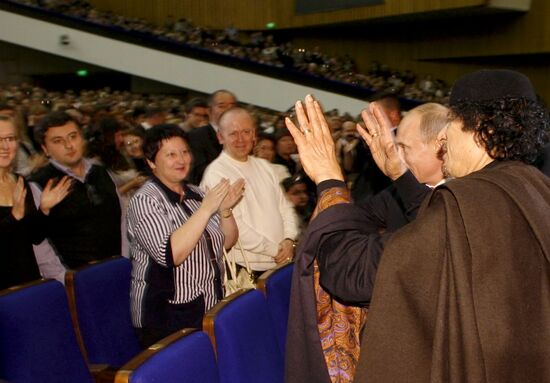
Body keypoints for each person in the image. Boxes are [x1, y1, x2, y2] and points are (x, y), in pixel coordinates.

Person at [289, 69, 550, 382]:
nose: (443, 137)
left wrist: (329, 180)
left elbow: (352, 273)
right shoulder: (531, 188)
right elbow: (439, 228)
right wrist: (402, 175)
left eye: (451, 121)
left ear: (482, 129)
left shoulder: (467, 202)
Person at [285, 101, 449, 382]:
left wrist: (329, 181)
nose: (394, 155)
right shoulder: (411, 191)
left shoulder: (452, 205)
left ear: (441, 147)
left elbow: (350, 275)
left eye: (404, 148)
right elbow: (357, 216)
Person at [127, 125, 244, 348]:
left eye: (184, 152)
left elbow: (226, 242)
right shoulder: (145, 200)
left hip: (209, 301)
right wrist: (206, 210)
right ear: (151, 162)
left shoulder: (197, 194)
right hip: (168, 313)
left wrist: (225, 210)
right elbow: (171, 255)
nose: (181, 160)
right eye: (171, 154)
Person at [201, 107, 299, 275]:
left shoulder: (265, 166)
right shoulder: (216, 173)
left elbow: (285, 207)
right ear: (220, 137)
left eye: (246, 131)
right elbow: (235, 226)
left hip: (280, 262)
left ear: (254, 135)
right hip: (243, 268)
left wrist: (289, 240)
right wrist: (276, 250)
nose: (240, 139)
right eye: (233, 133)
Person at [29, 111, 124, 280]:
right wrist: (63, 279)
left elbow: (122, 219)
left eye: (73, 136)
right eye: (58, 141)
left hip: (117, 268)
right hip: (75, 278)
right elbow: (39, 244)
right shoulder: (39, 184)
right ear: (45, 149)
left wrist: (126, 260)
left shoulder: (101, 172)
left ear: (82, 138)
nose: (68, 145)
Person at [0, 115, 71, 290]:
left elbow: (34, 237)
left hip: (28, 284)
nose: (5, 146)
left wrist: (44, 210)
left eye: (10, 138)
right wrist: (13, 218)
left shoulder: (20, 181)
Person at [187, 90, 237, 184]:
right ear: (209, 111)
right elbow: (198, 173)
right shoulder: (196, 136)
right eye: (222, 106)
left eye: (232, 106)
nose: (228, 110)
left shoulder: (242, 136)